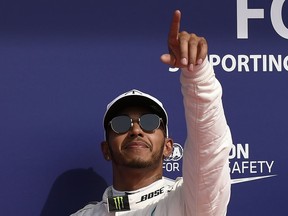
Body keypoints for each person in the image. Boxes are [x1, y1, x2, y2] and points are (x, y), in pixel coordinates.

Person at [71, 10, 233, 216]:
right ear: (106, 150)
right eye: (121, 124)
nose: (136, 129)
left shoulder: (189, 203)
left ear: (168, 147)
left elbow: (209, 153)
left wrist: (197, 75)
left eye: (149, 122)